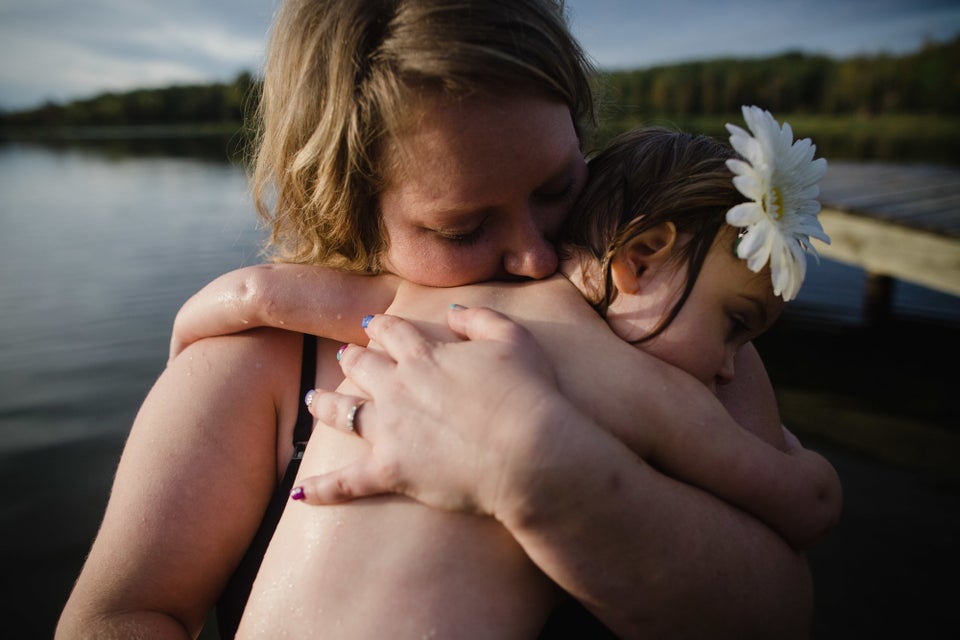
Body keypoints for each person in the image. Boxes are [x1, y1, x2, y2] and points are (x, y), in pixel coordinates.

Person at [55, 0, 818, 637]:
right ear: (344, 206)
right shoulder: (260, 367)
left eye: (558, 187)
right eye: (462, 229)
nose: (532, 257)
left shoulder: (686, 340)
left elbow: (784, 610)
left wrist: (549, 478)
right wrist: (251, 302)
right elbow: (117, 616)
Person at [218, 122, 842, 638]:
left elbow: (257, 290)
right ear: (641, 257)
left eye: (557, 189)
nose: (729, 369)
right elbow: (807, 506)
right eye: (733, 325)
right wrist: (798, 455)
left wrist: (186, 336)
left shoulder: (416, 297)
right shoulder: (646, 385)